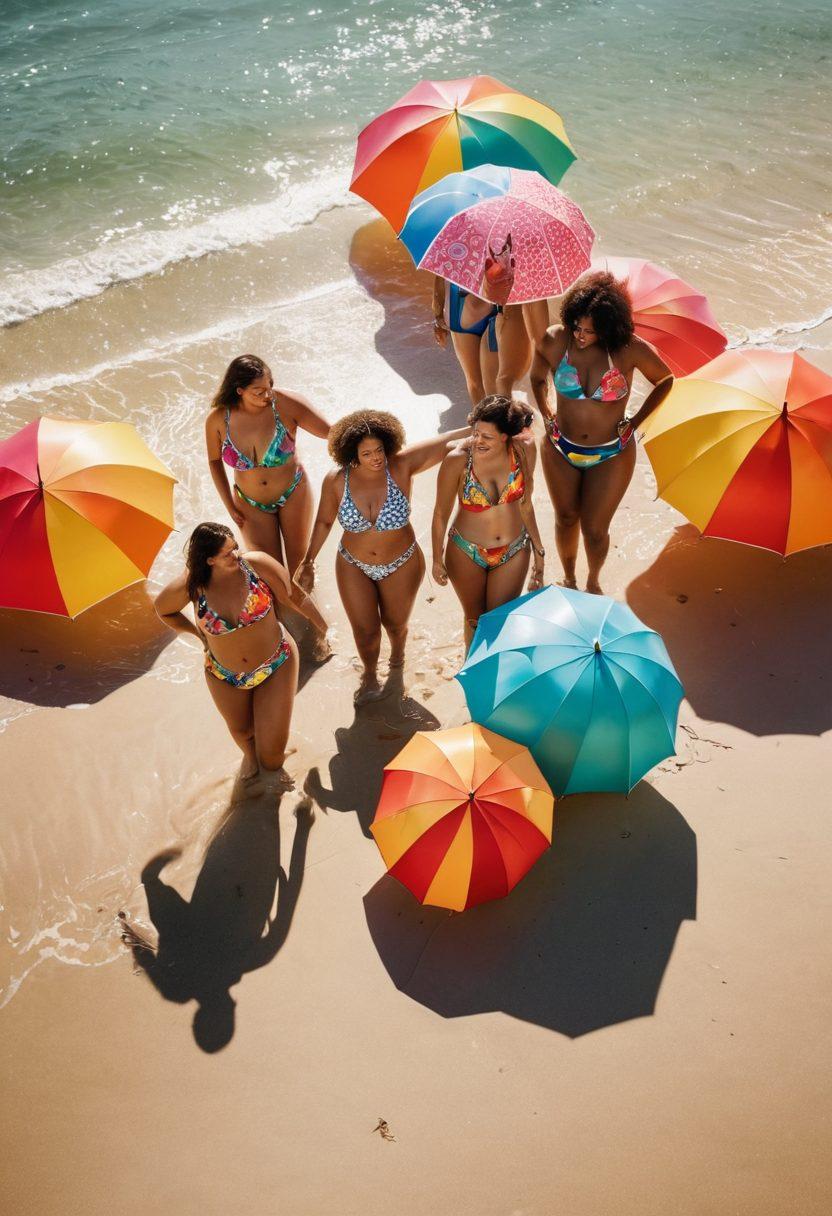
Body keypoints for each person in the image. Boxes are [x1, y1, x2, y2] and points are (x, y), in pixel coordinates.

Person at [297, 410, 471, 704]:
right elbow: (324, 521)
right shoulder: (337, 480)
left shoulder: (400, 466)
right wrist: (308, 560)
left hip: (402, 562)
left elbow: (444, 442)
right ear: (351, 454)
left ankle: (397, 660)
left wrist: (478, 425)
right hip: (353, 564)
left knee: (395, 625)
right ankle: (369, 674)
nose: (376, 458)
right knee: (365, 631)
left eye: (379, 450)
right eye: (366, 454)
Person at [530, 271, 673, 593]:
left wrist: (635, 422)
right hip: (559, 446)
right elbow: (537, 377)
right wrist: (546, 412)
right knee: (566, 518)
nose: (580, 335)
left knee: (595, 530)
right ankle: (569, 578)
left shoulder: (628, 349)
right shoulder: (558, 339)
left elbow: (665, 381)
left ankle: (593, 582)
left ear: (607, 328)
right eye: (577, 327)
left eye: (589, 331)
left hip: (612, 452)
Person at [155, 522, 327, 778]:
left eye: (235, 546)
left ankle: (271, 772)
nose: (236, 554)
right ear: (210, 560)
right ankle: (250, 759)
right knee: (243, 733)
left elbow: (294, 596)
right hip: (223, 674)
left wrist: (323, 627)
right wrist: (198, 635)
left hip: (276, 662)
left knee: (272, 758)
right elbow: (163, 610)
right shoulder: (193, 586)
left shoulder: (255, 565)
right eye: (228, 553)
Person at [205, 353, 330, 588]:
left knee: (299, 570)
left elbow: (331, 433)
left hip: (293, 492)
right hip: (249, 503)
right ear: (239, 390)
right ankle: (287, 613)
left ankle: (311, 611)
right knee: (270, 575)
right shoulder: (218, 419)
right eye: (258, 391)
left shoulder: (285, 404)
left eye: (269, 386)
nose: (267, 395)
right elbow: (214, 462)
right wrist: (229, 505)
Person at [432, 395, 545, 651]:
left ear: (505, 436)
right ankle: (471, 664)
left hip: (514, 549)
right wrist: (437, 558)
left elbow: (526, 505)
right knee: (475, 621)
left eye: (487, 436)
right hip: (466, 551)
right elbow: (440, 513)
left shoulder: (523, 451)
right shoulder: (458, 459)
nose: (478, 441)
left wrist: (539, 552)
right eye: (475, 433)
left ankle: (492, 668)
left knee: (497, 623)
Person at [431, 278, 536, 404]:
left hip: (462, 304)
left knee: (477, 383)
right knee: (499, 383)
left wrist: (438, 316)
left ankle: (484, 416)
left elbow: (441, 274)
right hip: (496, 302)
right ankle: (496, 414)